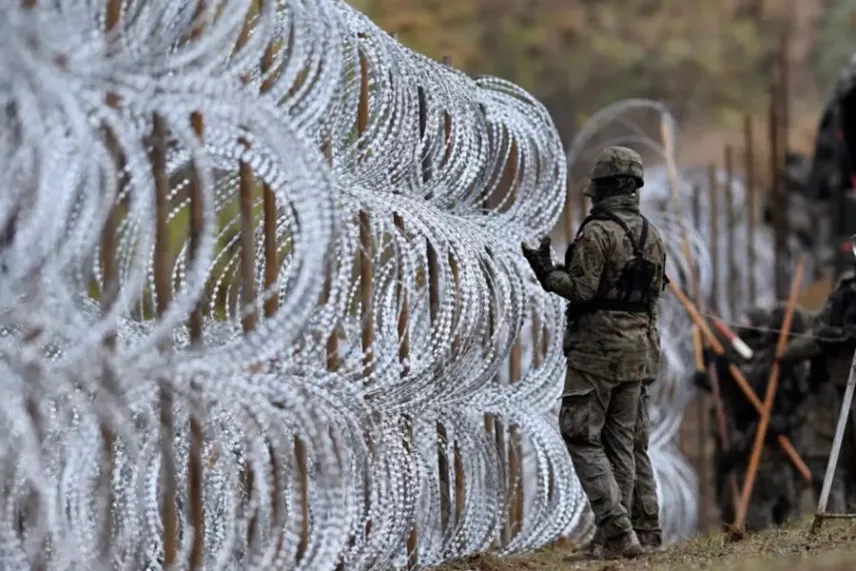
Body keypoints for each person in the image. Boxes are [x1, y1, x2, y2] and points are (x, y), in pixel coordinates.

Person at [522, 146, 668, 559]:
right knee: (624, 443)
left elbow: (582, 289)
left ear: (605, 188)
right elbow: (653, 297)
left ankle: (617, 534)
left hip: (597, 351)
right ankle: (638, 534)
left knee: (580, 434)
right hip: (638, 349)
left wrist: (547, 272)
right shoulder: (652, 235)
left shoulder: (598, 232)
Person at [695, 305, 809, 530]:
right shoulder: (761, 359)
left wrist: (785, 421)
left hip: (780, 445)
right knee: (746, 505)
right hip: (753, 440)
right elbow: (743, 393)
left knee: (784, 505)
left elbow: (801, 401)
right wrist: (720, 373)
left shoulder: (792, 361)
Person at [780, 265, 856, 513]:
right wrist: (832, 335)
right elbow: (816, 335)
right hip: (843, 385)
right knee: (845, 458)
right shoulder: (845, 293)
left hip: (840, 389)